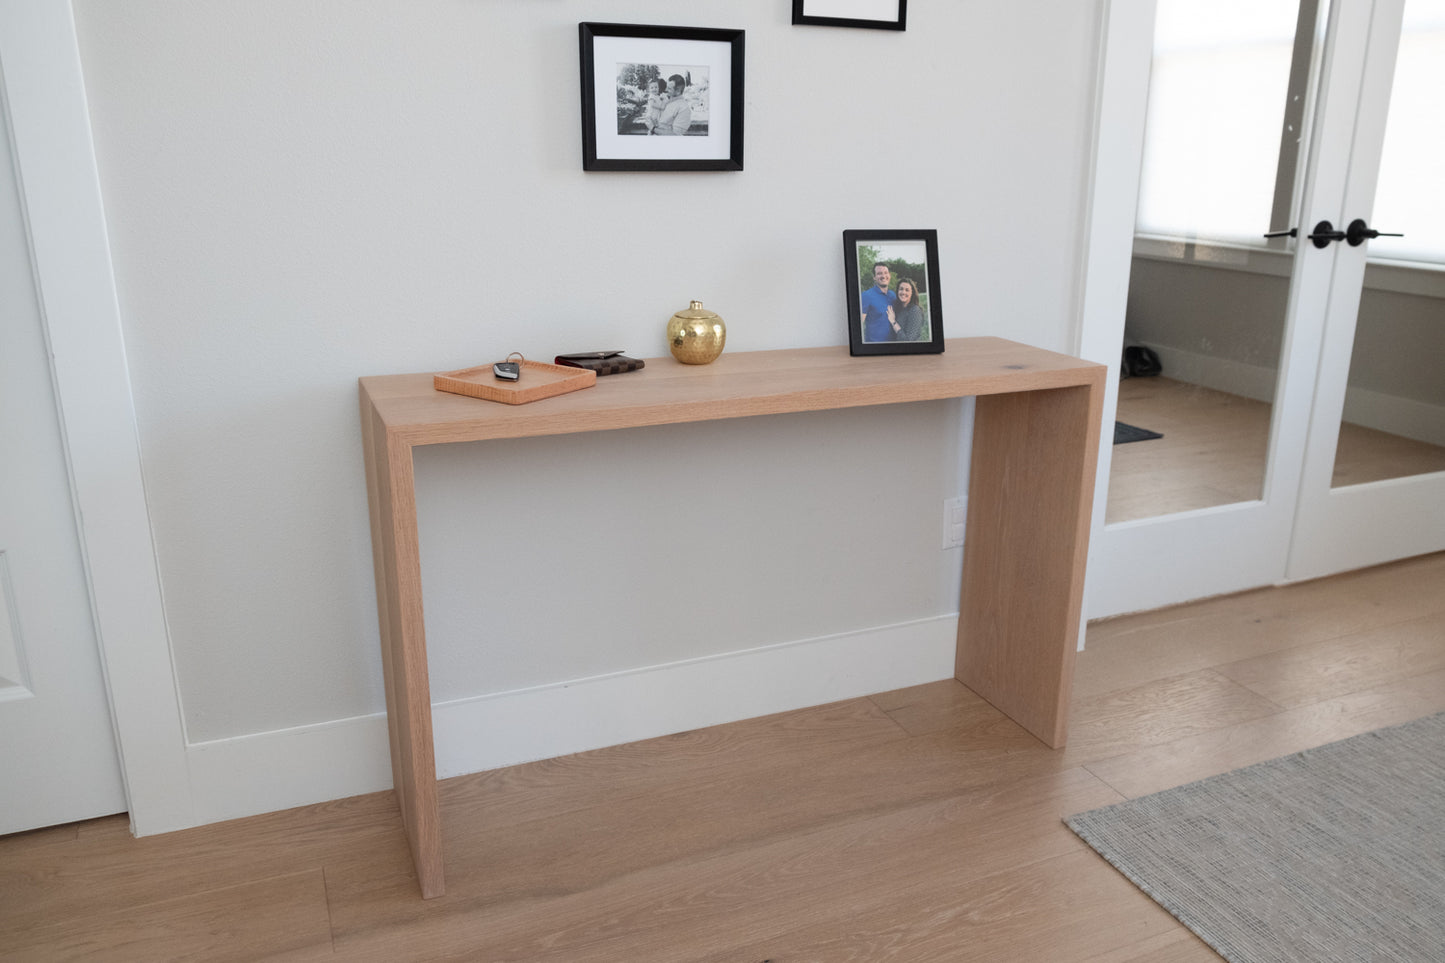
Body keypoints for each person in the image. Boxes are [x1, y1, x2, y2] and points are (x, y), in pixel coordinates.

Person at [860, 262, 899, 342]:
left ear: (889, 275)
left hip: (894, 344)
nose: (883, 276)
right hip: (874, 346)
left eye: (885, 273)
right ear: (874, 277)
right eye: (879, 273)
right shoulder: (866, 296)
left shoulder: (893, 295)